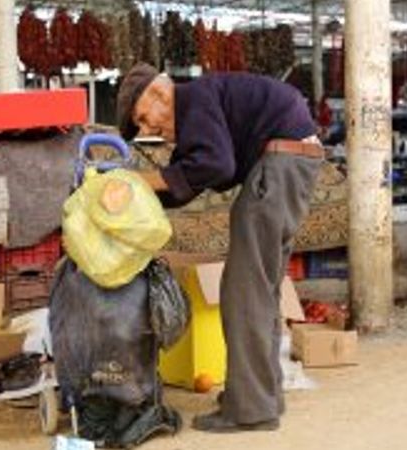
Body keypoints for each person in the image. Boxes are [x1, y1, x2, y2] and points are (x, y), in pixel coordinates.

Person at [116, 63, 323, 433]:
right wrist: (142, 194)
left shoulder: (194, 99)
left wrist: (137, 180)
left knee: (243, 291)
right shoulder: (198, 106)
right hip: (288, 163)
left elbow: (216, 164)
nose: (147, 131)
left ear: (160, 93)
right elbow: (191, 177)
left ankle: (251, 410)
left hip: (280, 164)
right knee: (260, 289)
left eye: (144, 119)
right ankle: (261, 396)